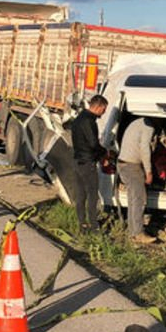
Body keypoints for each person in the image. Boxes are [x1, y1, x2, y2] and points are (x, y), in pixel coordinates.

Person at [70, 95, 109, 232]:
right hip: (87, 163)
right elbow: (93, 143)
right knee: (92, 195)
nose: (103, 113)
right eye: (103, 110)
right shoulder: (89, 121)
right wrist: (104, 153)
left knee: (81, 195)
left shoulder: (79, 119)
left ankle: (82, 224)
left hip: (77, 161)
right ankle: (94, 226)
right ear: (98, 107)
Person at [116, 117, 156, 243]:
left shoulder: (137, 122)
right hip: (132, 166)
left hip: (123, 164)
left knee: (133, 200)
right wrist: (148, 171)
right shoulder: (148, 125)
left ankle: (133, 233)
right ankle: (138, 234)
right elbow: (144, 148)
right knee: (139, 200)